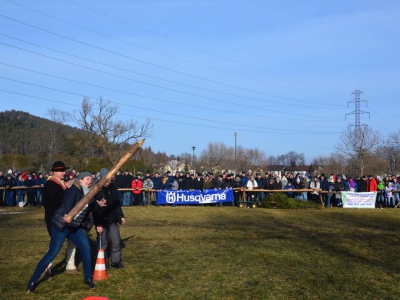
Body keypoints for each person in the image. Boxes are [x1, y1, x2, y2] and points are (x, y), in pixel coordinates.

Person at [26, 172, 106, 293]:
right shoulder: (74, 189)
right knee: (52, 253)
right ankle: (32, 281)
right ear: (80, 180)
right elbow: (68, 202)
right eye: (87, 179)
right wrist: (67, 214)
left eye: (91, 179)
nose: (89, 181)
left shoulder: (90, 194)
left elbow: (90, 208)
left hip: (75, 227)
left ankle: (88, 278)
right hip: (62, 226)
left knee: (86, 249)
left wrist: (98, 205)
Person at [41, 161, 72, 279]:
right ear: (54, 172)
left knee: (73, 242)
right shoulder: (50, 184)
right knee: (54, 246)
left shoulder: (63, 183)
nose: (63, 172)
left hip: (65, 218)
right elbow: (57, 199)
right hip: (53, 219)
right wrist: (68, 191)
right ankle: (46, 269)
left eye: (64, 170)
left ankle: (70, 265)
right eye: (61, 171)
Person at [94, 168, 126, 269]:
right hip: (102, 221)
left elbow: (116, 204)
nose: (108, 180)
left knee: (116, 241)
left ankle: (116, 261)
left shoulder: (112, 188)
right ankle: (103, 262)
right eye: (106, 178)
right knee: (103, 243)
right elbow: (94, 209)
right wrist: (98, 223)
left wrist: (120, 216)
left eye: (110, 178)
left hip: (113, 220)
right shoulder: (97, 189)